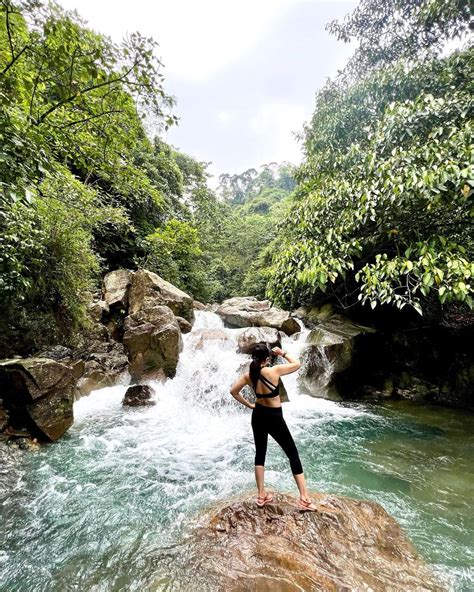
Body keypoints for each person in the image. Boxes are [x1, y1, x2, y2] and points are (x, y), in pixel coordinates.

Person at [230, 342, 317, 511]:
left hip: (258, 415)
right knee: (293, 454)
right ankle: (304, 498)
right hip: (274, 417)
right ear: (267, 358)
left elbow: (233, 391)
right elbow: (297, 364)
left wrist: (249, 405)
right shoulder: (274, 370)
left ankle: (261, 495)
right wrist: (283, 353)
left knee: (260, 454)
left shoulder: (249, 375)